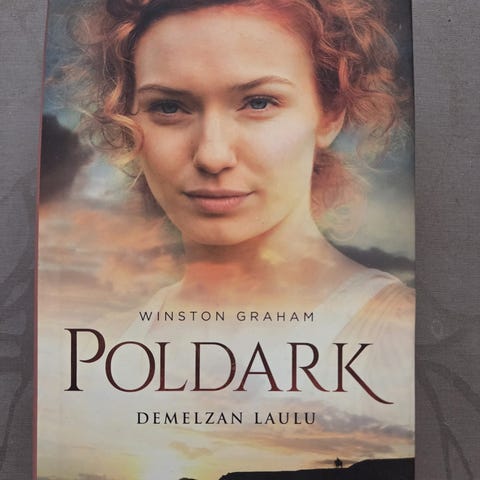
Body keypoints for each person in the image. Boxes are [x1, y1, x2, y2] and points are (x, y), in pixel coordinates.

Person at [43, 1, 414, 477]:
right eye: (168, 107)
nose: (212, 155)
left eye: (259, 102)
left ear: (330, 114)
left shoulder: (403, 335)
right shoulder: (106, 343)